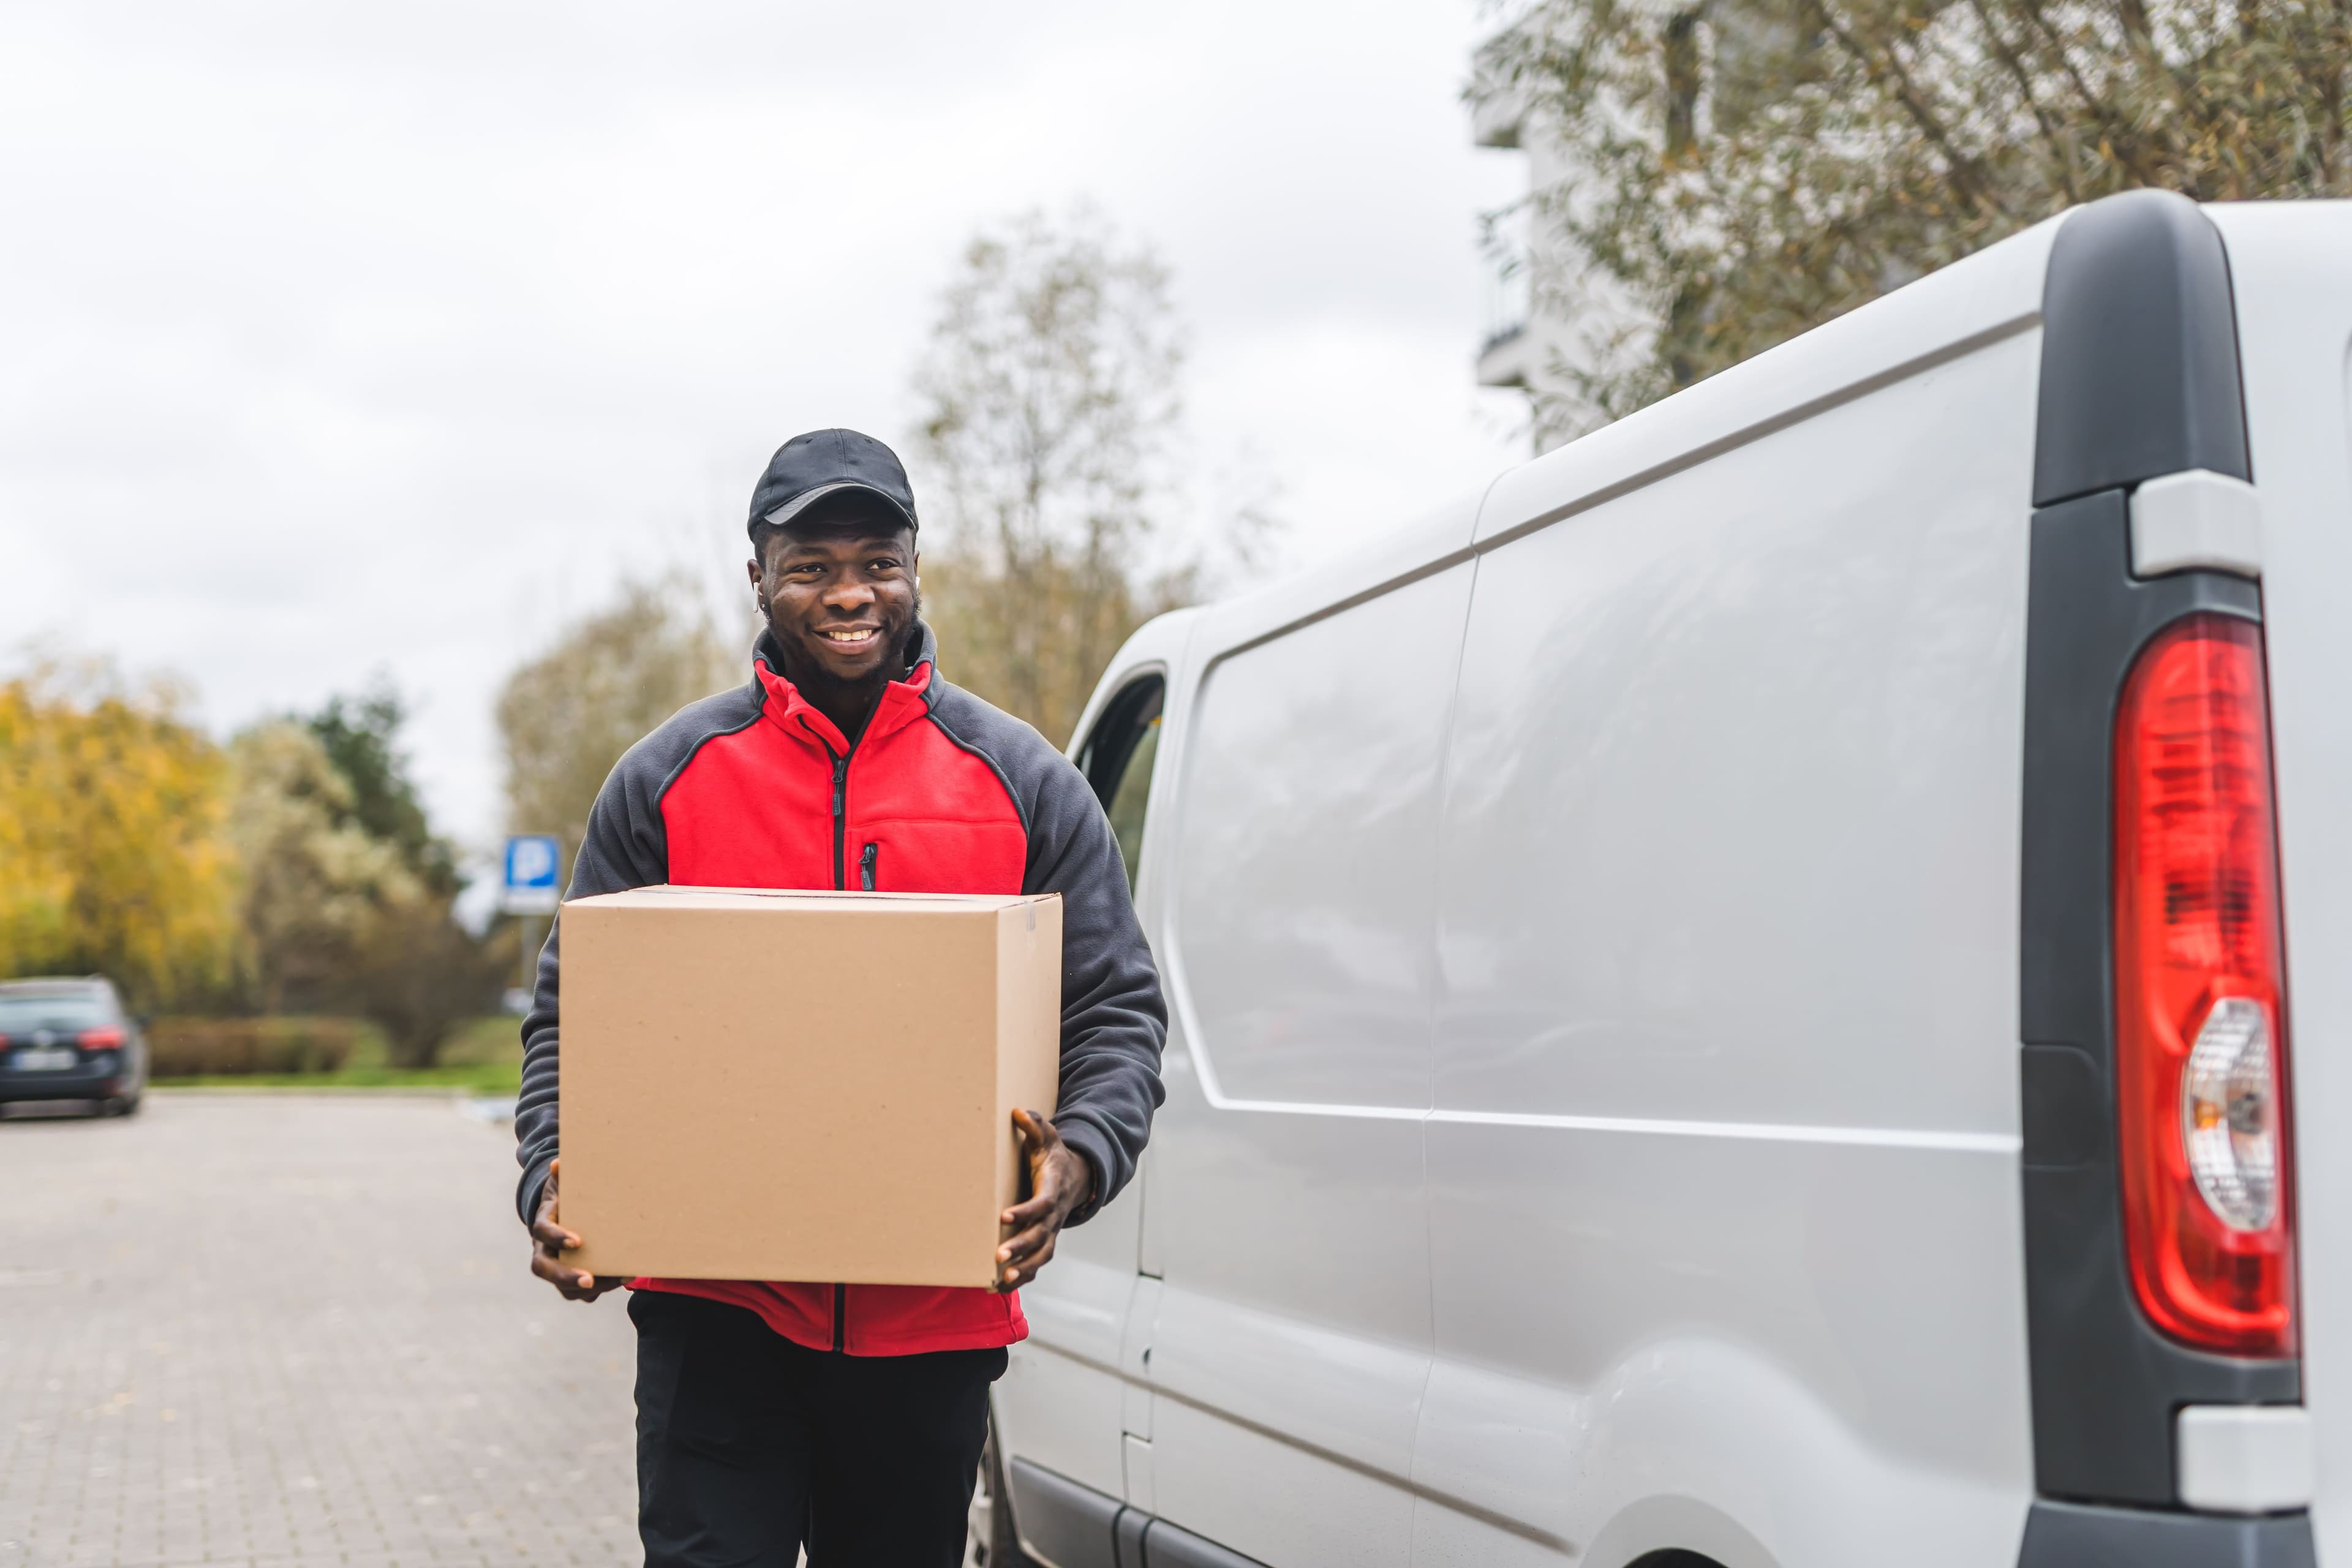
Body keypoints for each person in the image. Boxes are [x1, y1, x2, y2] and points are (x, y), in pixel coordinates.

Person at [512, 428, 1167, 1568]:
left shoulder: (1023, 783)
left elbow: (1115, 1011)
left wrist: (1079, 1162)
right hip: (718, 1313)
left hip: (930, 1326)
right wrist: (551, 1181)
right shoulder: (666, 779)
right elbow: (573, 1019)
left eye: (878, 559)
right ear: (757, 577)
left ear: (917, 569)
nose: (850, 592)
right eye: (811, 564)